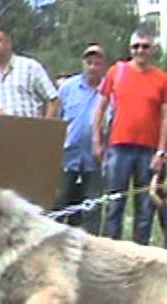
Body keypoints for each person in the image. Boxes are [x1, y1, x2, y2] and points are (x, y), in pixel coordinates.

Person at [92, 28, 167, 244]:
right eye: (136, 46)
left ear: (153, 49)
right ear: (130, 49)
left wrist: (161, 151)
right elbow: (100, 108)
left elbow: (166, 117)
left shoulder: (162, 79)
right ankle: (112, 250)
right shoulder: (116, 72)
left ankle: (140, 252)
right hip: (119, 146)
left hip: (148, 150)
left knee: (145, 208)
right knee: (115, 204)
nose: (140, 51)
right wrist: (97, 140)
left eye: (145, 46)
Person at [54, 43, 106, 231]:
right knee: (59, 202)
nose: (92, 67)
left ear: (103, 65)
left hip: (95, 157)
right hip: (68, 155)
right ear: (83, 64)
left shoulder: (109, 90)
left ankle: (91, 243)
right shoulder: (68, 87)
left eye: (97, 63)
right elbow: (57, 118)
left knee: (92, 206)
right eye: (89, 62)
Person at [0, 25, 58, 118]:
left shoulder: (30, 67)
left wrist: (45, 129)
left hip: (30, 130)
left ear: (8, 43)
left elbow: (53, 100)